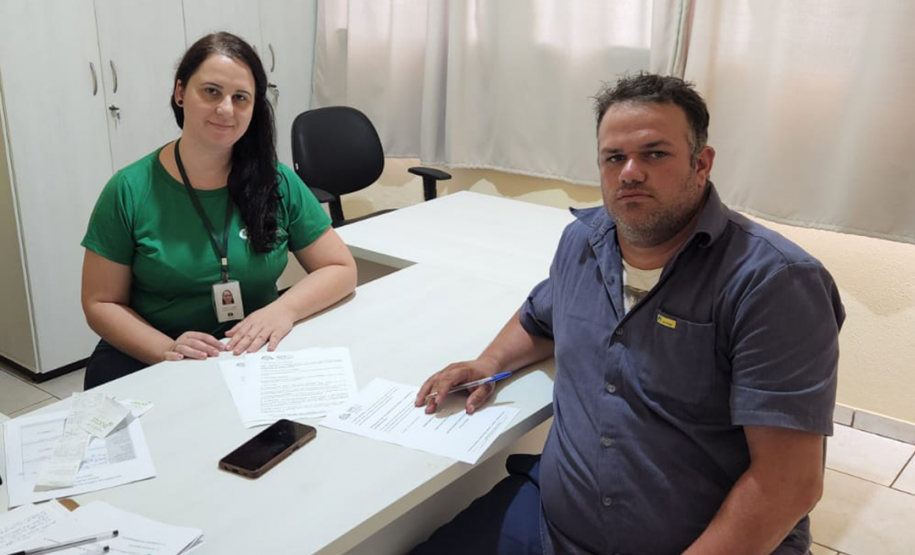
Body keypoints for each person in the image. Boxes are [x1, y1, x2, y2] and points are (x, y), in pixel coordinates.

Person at [412, 73, 845, 555]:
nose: (630, 172)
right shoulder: (582, 242)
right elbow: (540, 317)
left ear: (701, 164)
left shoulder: (773, 283)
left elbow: (788, 485)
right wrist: (488, 364)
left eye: (655, 154)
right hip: (556, 525)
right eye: (614, 158)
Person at [80, 32, 356, 390]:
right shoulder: (129, 190)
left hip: (249, 358)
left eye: (240, 98)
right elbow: (100, 302)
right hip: (157, 359)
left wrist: (283, 310)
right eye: (211, 91)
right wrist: (168, 350)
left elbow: (340, 268)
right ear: (180, 93)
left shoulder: (275, 181)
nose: (226, 109)